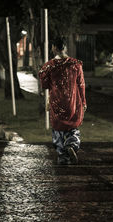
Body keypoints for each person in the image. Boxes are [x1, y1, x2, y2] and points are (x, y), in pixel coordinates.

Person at [39, 37, 87, 165]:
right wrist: (83, 102)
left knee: (57, 129)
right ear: (64, 47)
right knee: (73, 127)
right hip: (73, 101)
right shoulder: (75, 64)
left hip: (57, 101)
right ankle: (71, 144)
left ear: (54, 47)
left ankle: (62, 156)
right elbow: (81, 84)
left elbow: (45, 85)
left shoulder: (48, 67)